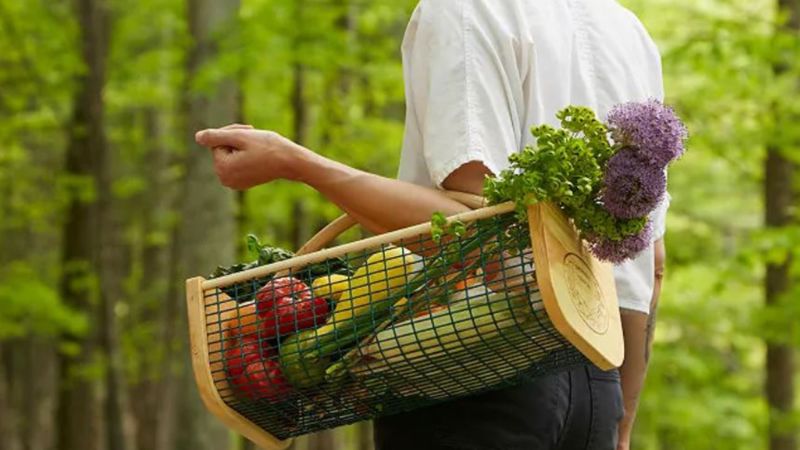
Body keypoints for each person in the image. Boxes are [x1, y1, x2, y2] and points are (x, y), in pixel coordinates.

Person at [195, 0, 668, 448]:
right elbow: (650, 267)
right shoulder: (627, 33)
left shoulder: (463, 9)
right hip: (597, 385)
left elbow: (478, 231)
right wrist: (620, 424)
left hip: (473, 365)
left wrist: (298, 164)